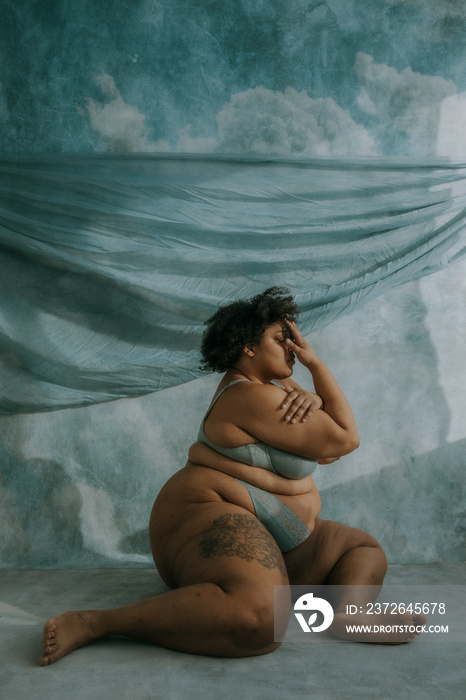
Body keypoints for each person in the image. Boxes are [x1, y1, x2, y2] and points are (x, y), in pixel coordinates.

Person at [40, 287, 426, 666]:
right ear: (248, 346)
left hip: (276, 530)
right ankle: (95, 623)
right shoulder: (249, 396)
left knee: (362, 550)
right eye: (282, 338)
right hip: (204, 511)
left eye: (293, 340)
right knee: (263, 621)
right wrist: (317, 366)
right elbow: (346, 438)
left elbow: (327, 454)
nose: (293, 347)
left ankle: (350, 616)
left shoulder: (274, 390)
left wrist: (316, 398)